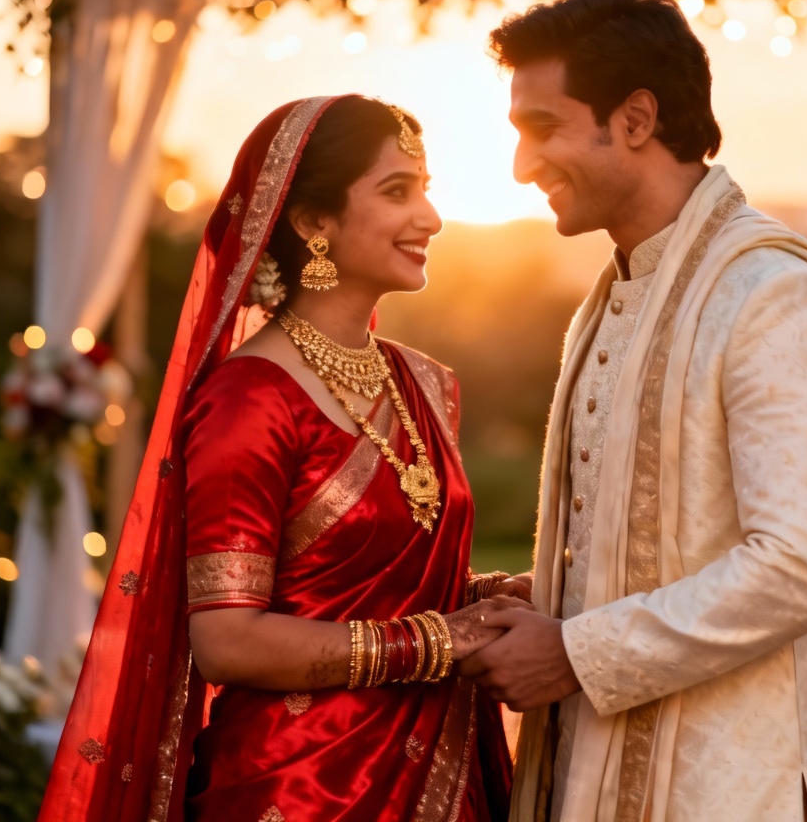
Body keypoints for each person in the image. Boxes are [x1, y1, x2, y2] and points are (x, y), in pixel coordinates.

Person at [461, 0, 807, 822]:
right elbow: (656, 538)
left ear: (638, 118)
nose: (521, 166)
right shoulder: (619, 293)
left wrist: (576, 654)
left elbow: (802, 564)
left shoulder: (774, 292)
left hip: (739, 789)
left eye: (542, 128)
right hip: (607, 770)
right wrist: (551, 595)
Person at [37, 95, 518, 822]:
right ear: (311, 223)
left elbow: (371, 585)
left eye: (426, 190)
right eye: (397, 192)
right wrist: (432, 643)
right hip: (297, 791)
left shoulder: (426, 383)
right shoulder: (250, 399)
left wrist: (486, 600)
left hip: (436, 780)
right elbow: (228, 641)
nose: (430, 219)